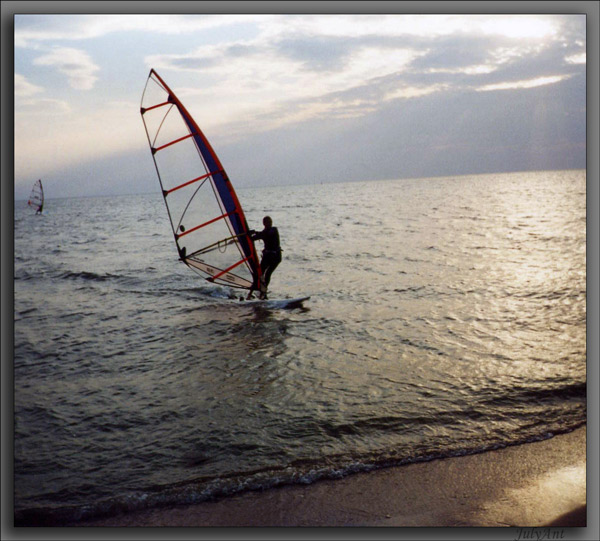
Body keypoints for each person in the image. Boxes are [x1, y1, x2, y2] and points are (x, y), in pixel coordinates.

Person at [247, 216, 282, 300]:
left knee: (268, 274)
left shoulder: (274, 230)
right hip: (267, 257)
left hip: (275, 257)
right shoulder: (264, 232)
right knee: (258, 275)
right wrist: (248, 234)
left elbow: (266, 234)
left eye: (270, 221)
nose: (270, 223)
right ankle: (250, 295)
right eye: (268, 222)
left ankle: (264, 294)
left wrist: (254, 232)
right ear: (264, 223)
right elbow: (253, 238)